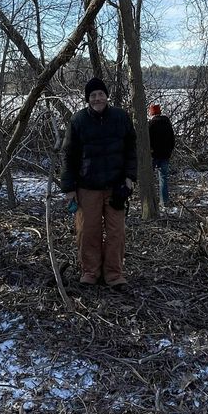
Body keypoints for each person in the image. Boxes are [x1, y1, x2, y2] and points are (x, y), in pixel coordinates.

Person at [60, 76, 137, 289]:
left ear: (106, 96)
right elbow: (68, 156)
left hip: (116, 187)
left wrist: (130, 177)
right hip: (87, 187)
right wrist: (69, 188)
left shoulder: (121, 117)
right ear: (87, 99)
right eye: (93, 95)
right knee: (87, 231)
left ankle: (113, 274)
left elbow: (131, 150)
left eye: (100, 94)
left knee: (116, 232)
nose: (97, 98)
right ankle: (90, 272)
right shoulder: (78, 121)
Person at [147, 103, 176, 213]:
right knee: (163, 178)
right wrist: (169, 151)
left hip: (153, 155)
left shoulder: (150, 125)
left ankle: (149, 201)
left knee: (148, 178)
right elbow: (172, 140)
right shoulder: (167, 123)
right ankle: (164, 201)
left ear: (151, 113)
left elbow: (147, 141)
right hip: (165, 155)